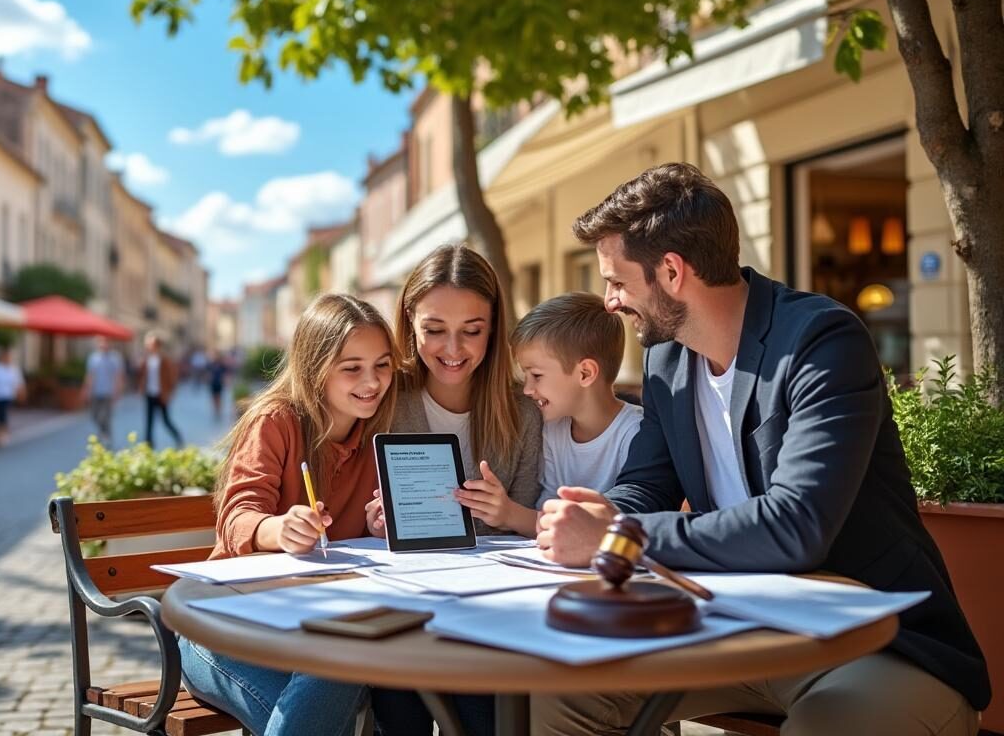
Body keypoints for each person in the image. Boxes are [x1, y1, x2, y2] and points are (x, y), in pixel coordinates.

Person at [533, 162, 989, 734]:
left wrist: (617, 537)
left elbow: (796, 524)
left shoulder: (820, 341)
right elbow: (648, 484)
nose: (609, 301)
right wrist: (591, 512)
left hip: (873, 640)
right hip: (734, 628)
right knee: (561, 692)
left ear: (672, 272)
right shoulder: (667, 360)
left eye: (617, 282)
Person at [181, 294, 397, 736]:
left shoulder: (378, 434)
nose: (372, 381)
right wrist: (278, 528)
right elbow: (237, 516)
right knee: (340, 670)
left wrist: (380, 528)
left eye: (383, 365)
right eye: (352, 367)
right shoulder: (276, 420)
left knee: (342, 663)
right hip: (223, 627)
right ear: (315, 367)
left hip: (312, 626)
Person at [367, 244, 543, 736]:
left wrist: (507, 513)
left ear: (493, 327)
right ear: (409, 323)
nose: (453, 349)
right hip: (406, 604)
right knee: (398, 694)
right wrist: (375, 521)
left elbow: (525, 527)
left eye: (472, 331)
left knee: (483, 708)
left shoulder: (522, 413)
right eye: (434, 330)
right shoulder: (383, 400)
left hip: (490, 611)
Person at [512, 293, 643, 508]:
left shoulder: (635, 433)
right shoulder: (553, 430)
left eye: (536, 375)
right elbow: (547, 510)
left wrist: (508, 514)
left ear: (585, 373)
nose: (527, 389)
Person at [139, 332, 183, 447]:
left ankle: (178, 437)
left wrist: (169, 393)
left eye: (150, 344)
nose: (148, 346)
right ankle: (148, 445)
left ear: (156, 345)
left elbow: (172, 377)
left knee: (166, 421)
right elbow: (143, 375)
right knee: (149, 421)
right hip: (150, 393)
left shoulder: (164, 360)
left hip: (161, 394)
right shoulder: (147, 359)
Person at [83, 336, 125, 446]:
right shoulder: (93, 358)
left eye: (105, 343)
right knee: (94, 415)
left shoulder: (115, 358)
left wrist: (118, 391)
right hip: (96, 392)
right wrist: (86, 390)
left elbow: (118, 376)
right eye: (101, 343)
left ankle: (106, 436)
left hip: (108, 392)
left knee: (105, 416)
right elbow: (90, 375)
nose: (103, 345)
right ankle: (103, 433)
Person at [0, 347, 25, 448]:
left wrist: (19, 393)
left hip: (7, 395)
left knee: (3, 414)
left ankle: (3, 433)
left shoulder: (13, 369)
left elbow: (18, 383)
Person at [207, 352, 229, 421]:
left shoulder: (222, 365)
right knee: (214, 397)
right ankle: (215, 410)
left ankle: (219, 411)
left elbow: (226, 374)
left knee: (219, 397)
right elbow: (207, 373)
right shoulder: (211, 365)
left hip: (219, 383)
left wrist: (225, 381)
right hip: (213, 383)